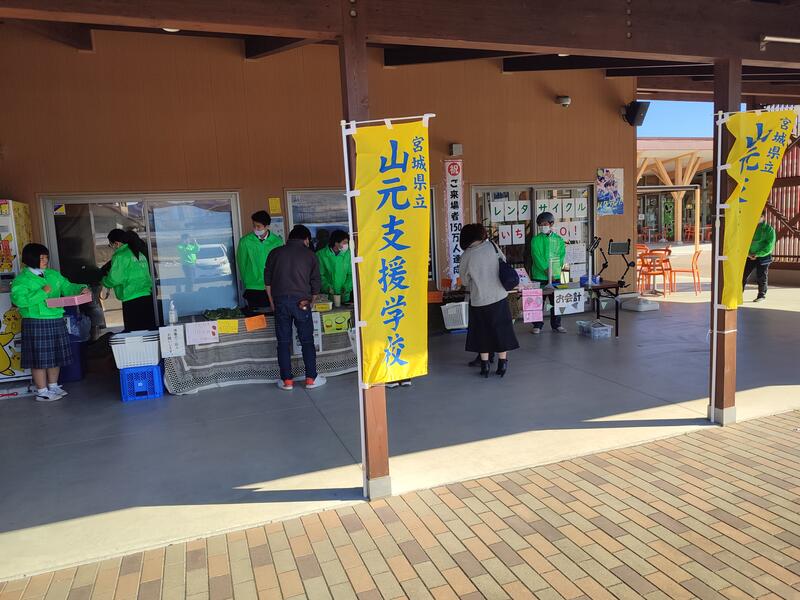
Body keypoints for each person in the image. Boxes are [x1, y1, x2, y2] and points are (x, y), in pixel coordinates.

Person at [11, 243, 91, 402]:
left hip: (56, 317)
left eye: (46, 257)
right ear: (31, 259)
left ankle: (53, 386)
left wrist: (81, 288)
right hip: (35, 320)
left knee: (56, 355)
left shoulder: (53, 274)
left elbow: (68, 287)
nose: (45, 260)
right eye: (41, 258)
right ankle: (42, 391)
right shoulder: (22, 279)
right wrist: (42, 292)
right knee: (39, 359)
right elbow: (19, 300)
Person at [265, 225, 326, 391]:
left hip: (280, 302)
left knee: (283, 342)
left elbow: (268, 282)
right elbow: (316, 284)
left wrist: (272, 302)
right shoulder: (310, 255)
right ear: (306, 239)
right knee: (307, 341)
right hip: (302, 303)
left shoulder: (275, 253)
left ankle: (287, 381)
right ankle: (311, 379)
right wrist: (311, 302)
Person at [459, 223, 519, 378]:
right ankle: (502, 363)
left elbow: (464, 281)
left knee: (482, 332)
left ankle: (485, 365)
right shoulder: (492, 246)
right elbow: (503, 260)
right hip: (499, 296)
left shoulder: (466, 256)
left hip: (479, 300)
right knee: (501, 329)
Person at [102, 229, 156, 332]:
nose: (112, 248)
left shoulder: (120, 256)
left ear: (117, 244)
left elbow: (114, 279)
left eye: (111, 245)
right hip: (146, 296)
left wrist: (104, 281)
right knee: (147, 331)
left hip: (131, 299)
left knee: (134, 333)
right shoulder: (139, 253)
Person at [237, 210, 283, 311]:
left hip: (273, 285)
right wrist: (247, 281)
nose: (255, 229)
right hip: (253, 286)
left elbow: (280, 265)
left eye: (258, 226)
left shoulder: (277, 242)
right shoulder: (245, 241)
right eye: (254, 226)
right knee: (256, 316)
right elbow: (242, 263)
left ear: (267, 226)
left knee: (273, 314)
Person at [530, 211, 567, 334]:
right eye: (540, 224)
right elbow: (536, 257)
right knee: (537, 301)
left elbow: (561, 257)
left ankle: (557, 325)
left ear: (551, 224)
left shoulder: (558, 240)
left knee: (556, 301)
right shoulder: (535, 240)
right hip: (539, 275)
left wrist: (556, 272)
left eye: (545, 224)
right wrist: (547, 271)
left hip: (555, 275)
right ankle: (537, 325)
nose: (542, 226)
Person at [742, 214, 776, 303]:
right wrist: (747, 253)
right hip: (749, 255)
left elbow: (770, 245)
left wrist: (757, 254)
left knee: (762, 276)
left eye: (759, 216)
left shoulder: (769, 229)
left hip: (763, 256)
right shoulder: (748, 228)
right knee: (743, 275)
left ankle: (761, 295)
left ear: (763, 217)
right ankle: (738, 294)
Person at [317, 230, 353, 304]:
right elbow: (319, 275)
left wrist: (347, 287)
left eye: (347, 242)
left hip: (345, 296)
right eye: (344, 243)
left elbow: (351, 274)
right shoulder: (321, 255)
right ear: (336, 243)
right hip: (327, 298)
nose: (346, 245)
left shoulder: (349, 254)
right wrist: (327, 287)